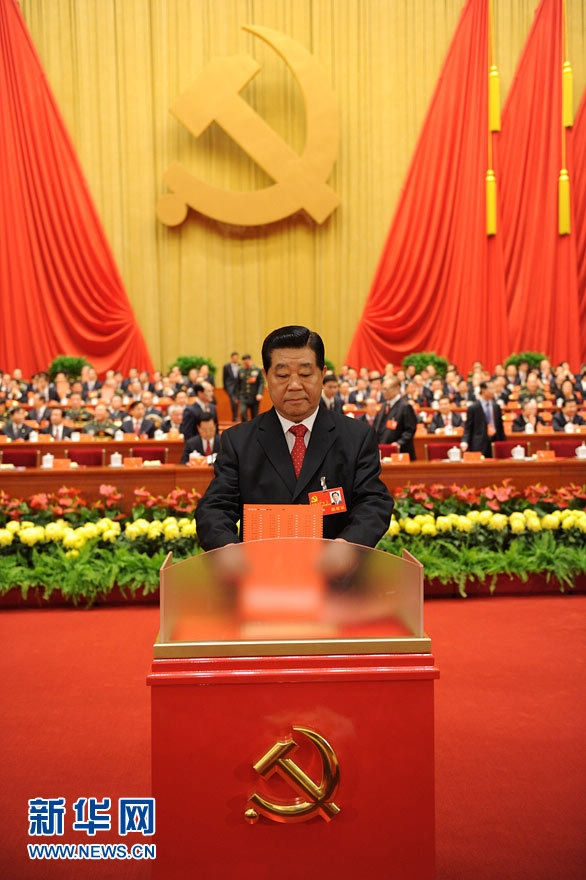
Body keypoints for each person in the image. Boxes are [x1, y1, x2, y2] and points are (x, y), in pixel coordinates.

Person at [195, 325, 393, 549]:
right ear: (266, 377)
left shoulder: (356, 437)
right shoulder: (238, 441)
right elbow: (214, 508)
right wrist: (227, 547)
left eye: (306, 374)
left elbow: (373, 502)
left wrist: (348, 544)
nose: (295, 385)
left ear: (322, 373)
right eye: (282, 375)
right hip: (259, 574)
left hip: (335, 574)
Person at [374, 377, 417, 459]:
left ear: (397, 388)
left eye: (386, 389)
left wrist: (399, 443)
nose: (384, 392)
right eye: (383, 389)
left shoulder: (405, 406)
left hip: (400, 453)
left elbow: (410, 430)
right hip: (384, 451)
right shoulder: (384, 406)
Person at [461, 381, 505, 456]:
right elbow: (468, 427)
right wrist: (464, 441)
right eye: (491, 388)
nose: (493, 391)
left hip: (495, 441)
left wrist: (503, 443)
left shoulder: (496, 407)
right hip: (479, 443)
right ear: (483, 390)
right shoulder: (473, 408)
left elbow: (500, 427)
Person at [237, 354, 265, 421]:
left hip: (254, 397)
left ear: (250, 360)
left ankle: (253, 430)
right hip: (243, 396)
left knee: (254, 416)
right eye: (244, 362)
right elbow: (238, 384)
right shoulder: (240, 371)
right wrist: (237, 396)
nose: (246, 363)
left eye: (247, 361)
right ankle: (246, 428)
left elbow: (261, 382)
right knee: (243, 412)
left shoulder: (257, 369)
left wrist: (260, 393)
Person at [222, 351, 240, 421]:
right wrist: (226, 388)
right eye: (234, 358)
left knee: (238, 401)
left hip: (238, 387)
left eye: (236, 358)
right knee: (233, 401)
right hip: (230, 387)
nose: (235, 359)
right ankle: (235, 417)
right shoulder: (226, 366)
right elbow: (224, 378)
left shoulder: (240, 365)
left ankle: (237, 417)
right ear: (231, 358)